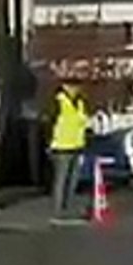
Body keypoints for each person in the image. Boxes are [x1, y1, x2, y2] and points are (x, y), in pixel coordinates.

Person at [46, 62, 91, 223]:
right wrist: (48, 142)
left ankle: (67, 209)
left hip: (77, 145)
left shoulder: (80, 103)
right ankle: (58, 212)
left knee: (73, 180)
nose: (76, 89)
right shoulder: (58, 101)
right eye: (73, 86)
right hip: (61, 146)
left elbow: (83, 122)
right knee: (61, 180)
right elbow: (49, 122)